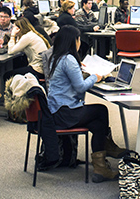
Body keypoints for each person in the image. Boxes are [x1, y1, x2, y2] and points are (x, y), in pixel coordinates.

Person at [46, 25, 127, 183]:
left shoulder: (56, 57)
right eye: (78, 39)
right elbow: (80, 87)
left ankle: (100, 167)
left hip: (56, 110)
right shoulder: (69, 60)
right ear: (73, 41)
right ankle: (106, 149)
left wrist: (81, 72)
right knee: (101, 110)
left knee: (97, 125)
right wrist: (96, 77)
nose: (79, 42)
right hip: (65, 113)